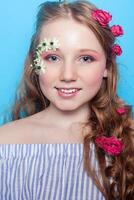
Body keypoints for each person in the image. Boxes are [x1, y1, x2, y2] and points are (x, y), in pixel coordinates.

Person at [0, 0, 134, 199]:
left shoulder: (129, 139)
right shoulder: (4, 144)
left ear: (107, 65)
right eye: (53, 57)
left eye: (86, 58)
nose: (68, 75)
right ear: (35, 63)